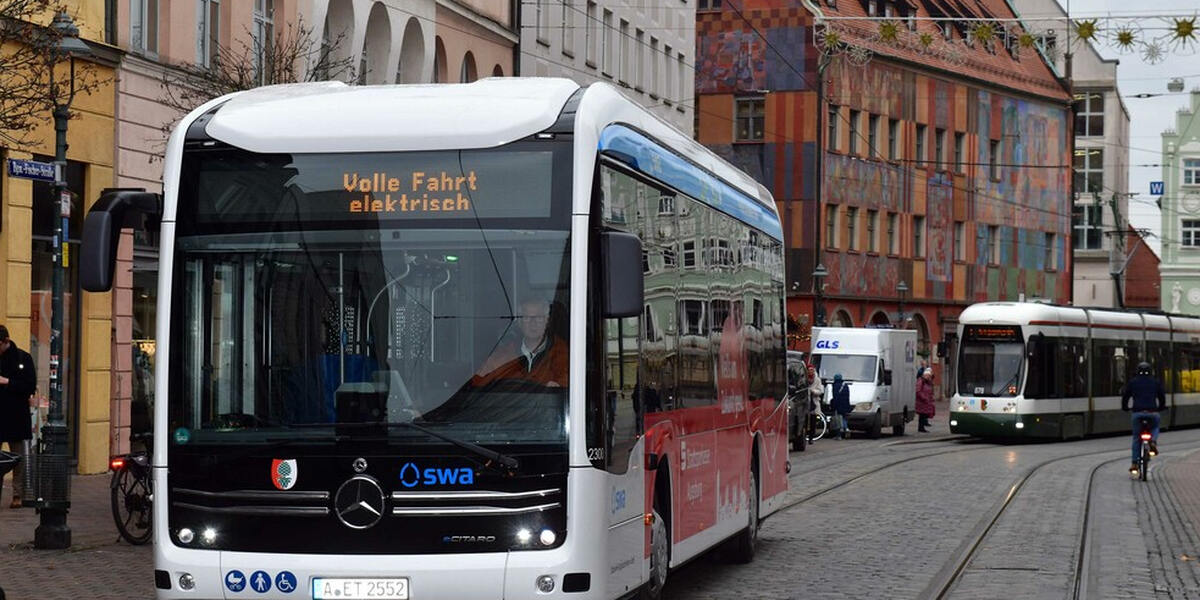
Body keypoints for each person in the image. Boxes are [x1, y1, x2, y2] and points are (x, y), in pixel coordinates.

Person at [470, 297, 567, 388]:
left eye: (539, 317)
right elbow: (478, 382)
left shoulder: (562, 353)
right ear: (519, 323)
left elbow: (571, 381)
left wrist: (557, 387)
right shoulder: (504, 354)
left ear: (547, 321)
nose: (533, 323)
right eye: (527, 318)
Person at [0, 326, 37, 509]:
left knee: (18, 458)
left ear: (6, 341)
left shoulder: (23, 358)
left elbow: (30, 386)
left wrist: (8, 382)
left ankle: (18, 495)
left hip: (16, 415)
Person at [1121, 361, 1166, 475]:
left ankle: (1134, 463)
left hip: (1137, 413)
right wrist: (1161, 407)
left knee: (1137, 438)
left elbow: (1126, 396)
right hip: (1152, 412)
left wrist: (1125, 407)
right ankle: (1153, 442)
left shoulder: (1133, 382)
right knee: (1155, 427)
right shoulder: (1155, 382)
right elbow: (1162, 397)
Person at [830, 373, 852, 440]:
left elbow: (835, 396)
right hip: (845, 404)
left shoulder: (835, 386)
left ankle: (839, 435)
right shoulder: (845, 385)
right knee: (844, 418)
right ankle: (846, 428)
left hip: (838, 405)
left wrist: (834, 405)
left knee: (838, 420)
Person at [916, 367, 935, 432]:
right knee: (922, 415)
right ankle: (921, 428)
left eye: (929, 376)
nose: (929, 377)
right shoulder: (921, 381)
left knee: (924, 415)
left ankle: (922, 427)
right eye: (928, 376)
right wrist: (924, 397)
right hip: (922, 401)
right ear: (925, 375)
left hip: (926, 401)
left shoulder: (928, 382)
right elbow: (918, 391)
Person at [807, 365, 823, 443]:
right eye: (809, 370)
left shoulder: (817, 380)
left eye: (812, 370)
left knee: (813, 421)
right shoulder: (804, 379)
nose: (811, 371)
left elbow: (820, 391)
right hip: (805, 402)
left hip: (813, 402)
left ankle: (811, 437)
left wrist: (813, 391)